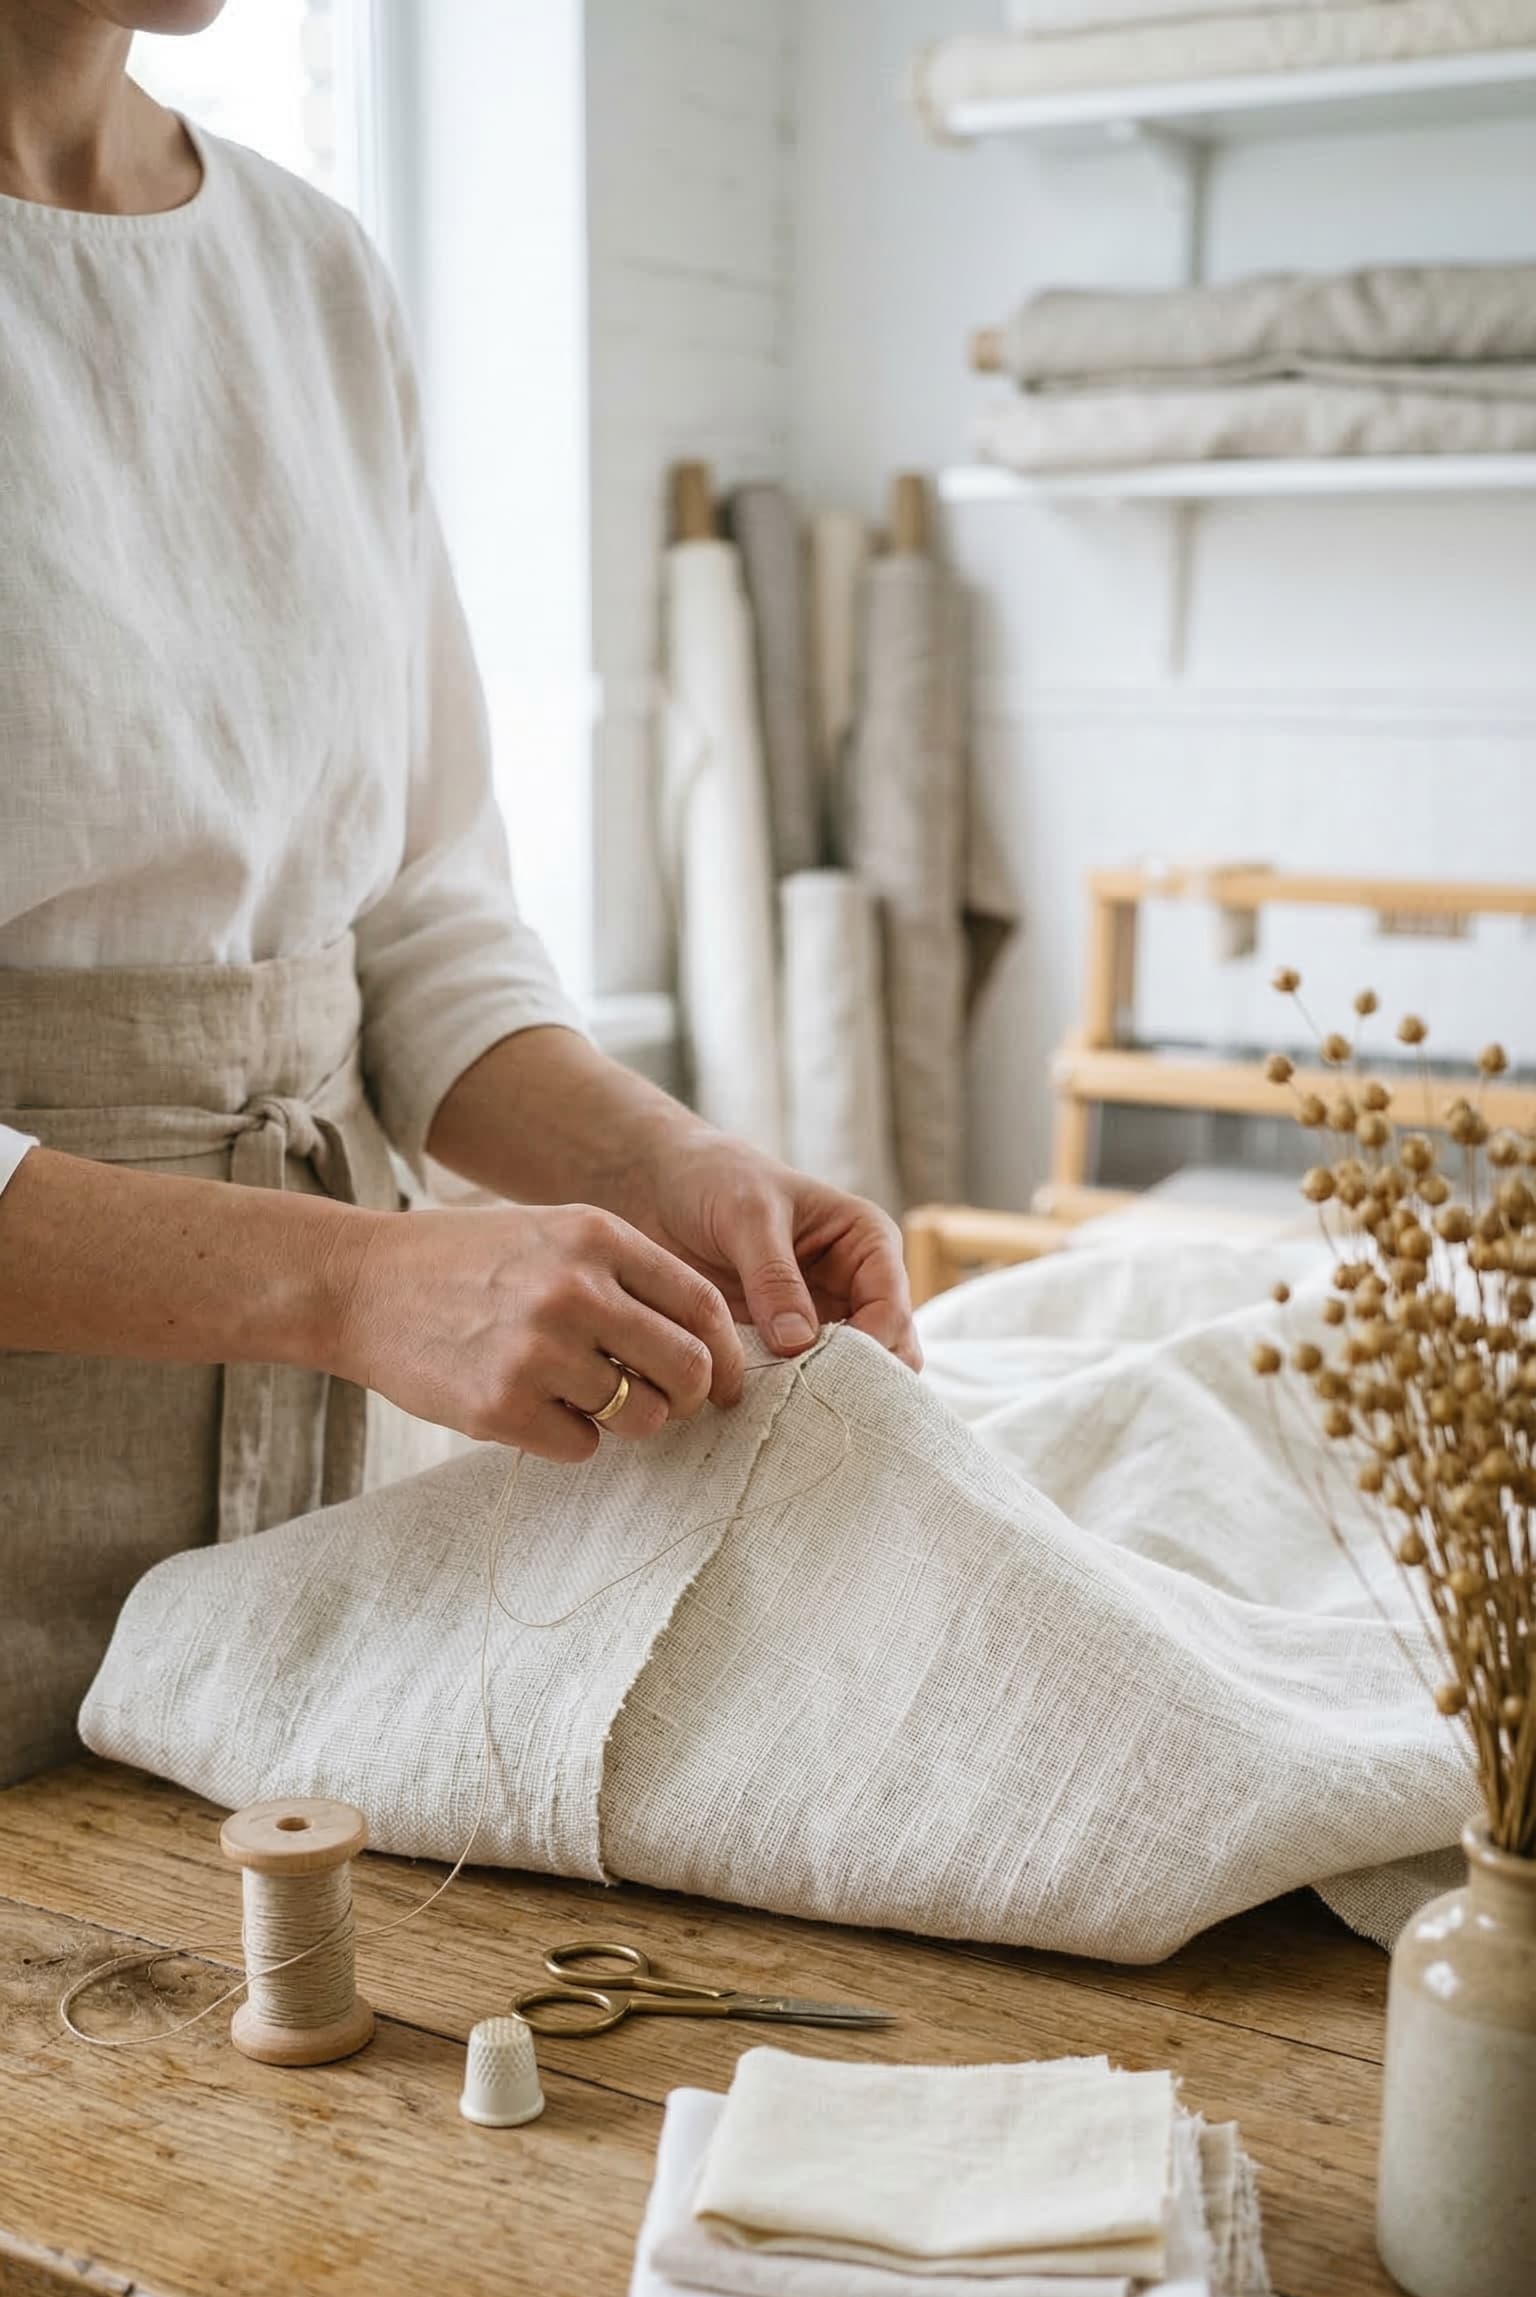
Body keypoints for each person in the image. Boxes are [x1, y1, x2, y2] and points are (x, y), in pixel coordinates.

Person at [0, 0, 919, 1789]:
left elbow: (412, 911)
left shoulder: (310, 270)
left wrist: (660, 1165)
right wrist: (350, 1287)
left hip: (319, 1514)